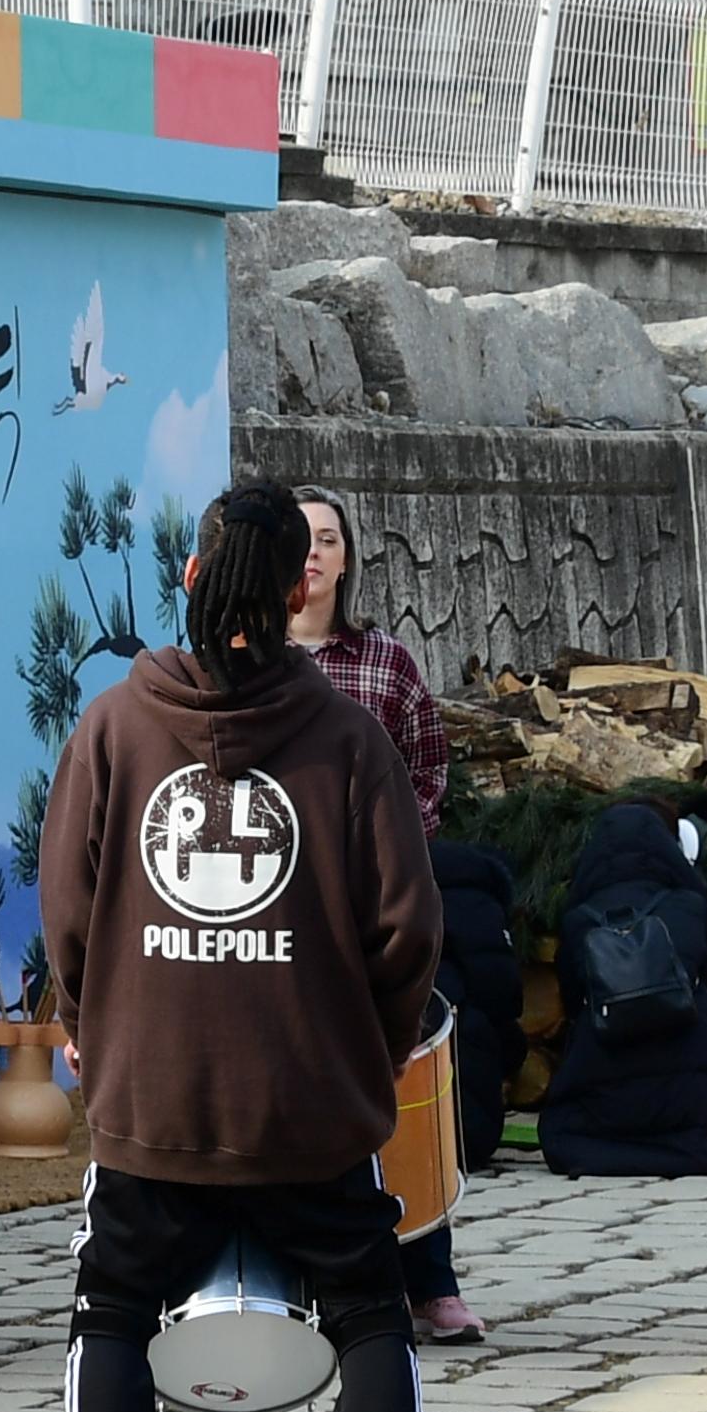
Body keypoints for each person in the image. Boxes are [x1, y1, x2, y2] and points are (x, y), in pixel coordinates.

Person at [30, 481, 458, 1412]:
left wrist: (96, 1020)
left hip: (153, 1092)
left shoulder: (116, 725)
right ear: (296, 586)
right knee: (370, 1307)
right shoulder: (345, 739)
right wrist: (360, 1054)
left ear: (188, 576)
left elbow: (65, 907)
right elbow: (407, 929)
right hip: (312, 1097)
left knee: (111, 1307)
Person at [288, 486, 482, 1345]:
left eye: (329, 539)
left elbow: (428, 774)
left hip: (376, 914)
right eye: (299, 540)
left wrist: (388, 857)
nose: (314, 554)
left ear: (348, 557)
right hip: (279, 923)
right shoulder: (246, 663)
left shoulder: (385, 662)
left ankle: (428, 1274)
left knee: (404, 1083)